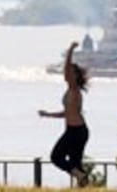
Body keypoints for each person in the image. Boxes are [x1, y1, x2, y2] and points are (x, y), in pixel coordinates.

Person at [39, 40, 91, 187]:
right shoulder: (70, 91)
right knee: (75, 166)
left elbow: (66, 67)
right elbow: (67, 113)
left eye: (70, 73)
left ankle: (81, 177)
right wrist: (48, 115)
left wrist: (70, 50)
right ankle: (83, 182)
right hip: (74, 130)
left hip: (77, 132)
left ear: (74, 76)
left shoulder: (74, 90)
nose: (66, 75)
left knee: (56, 157)